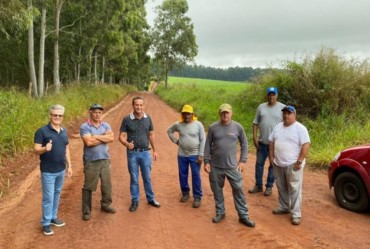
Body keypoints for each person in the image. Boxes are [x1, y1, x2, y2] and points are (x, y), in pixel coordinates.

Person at [204, 103, 255, 228]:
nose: (225, 114)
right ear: (219, 113)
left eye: (227, 112)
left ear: (231, 113)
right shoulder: (213, 128)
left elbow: (244, 144)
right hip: (215, 166)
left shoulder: (238, 127)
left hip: (233, 167)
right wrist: (206, 161)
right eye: (223, 112)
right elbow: (207, 146)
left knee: (238, 190)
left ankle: (243, 215)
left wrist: (242, 161)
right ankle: (220, 212)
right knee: (217, 190)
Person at [34, 104, 73, 236]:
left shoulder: (64, 131)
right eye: (55, 115)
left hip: (61, 169)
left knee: (56, 194)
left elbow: (66, 148)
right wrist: (45, 149)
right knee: (48, 197)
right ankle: (45, 223)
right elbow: (36, 150)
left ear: (62, 117)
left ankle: (53, 217)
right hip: (48, 171)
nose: (57, 117)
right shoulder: (42, 131)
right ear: (50, 115)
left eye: (60, 115)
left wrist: (70, 165)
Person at [268, 105, 310, 225]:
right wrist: (271, 157)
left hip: (293, 165)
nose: (286, 115)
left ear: (294, 115)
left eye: (289, 113)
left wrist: (299, 161)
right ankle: (284, 207)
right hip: (278, 163)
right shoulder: (278, 127)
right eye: (284, 113)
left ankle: (296, 214)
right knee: (281, 187)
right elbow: (271, 142)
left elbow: (305, 145)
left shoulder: (300, 128)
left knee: (295, 189)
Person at [119, 96, 160, 212]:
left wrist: (155, 150)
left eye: (141, 105)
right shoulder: (127, 119)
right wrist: (127, 144)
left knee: (147, 177)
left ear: (144, 106)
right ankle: (135, 200)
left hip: (145, 153)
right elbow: (121, 137)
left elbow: (151, 135)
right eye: (137, 105)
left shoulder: (148, 119)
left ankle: (151, 199)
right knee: (134, 178)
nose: (139, 107)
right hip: (132, 153)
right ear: (133, 106)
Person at [80, 104, 116, 221]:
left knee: (107, 184)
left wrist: (96, 136)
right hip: (91, 161)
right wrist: (103, 137)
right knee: (88, 186)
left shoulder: (106, 125)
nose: (97, 114)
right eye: (95, 112)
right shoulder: (85, 126)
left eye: (99, 112)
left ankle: (106, 205)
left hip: (105, 159)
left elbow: (111, 138)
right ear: (90, 112)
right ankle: (86, 211)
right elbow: (89, 143)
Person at [249, 86, 285, 196]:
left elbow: (286, 125)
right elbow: (255, 123)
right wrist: (255, 137)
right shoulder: (261, 107)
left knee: (272, 165)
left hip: (275, 145)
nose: (271, 96)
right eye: (269, 94)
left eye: (273, 94)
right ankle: (258, 185)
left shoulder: (283, 108)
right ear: (267, 95)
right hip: (262, 142)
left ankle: (269, 186)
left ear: (277, 95)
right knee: (259, 164)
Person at [167, 104, 206, 208]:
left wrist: (201, 155)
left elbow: (203, 140)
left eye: (188, 114)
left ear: (192, 114)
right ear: (182, 114)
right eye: (184, 114)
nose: (186, 116)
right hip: (182, 155)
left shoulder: (198, 125)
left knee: (196, 175)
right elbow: (169, 131)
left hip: (195, 155)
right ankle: (185, 193)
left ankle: (197, 197)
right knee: (183, 175)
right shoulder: (178, 124)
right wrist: (176, 141)